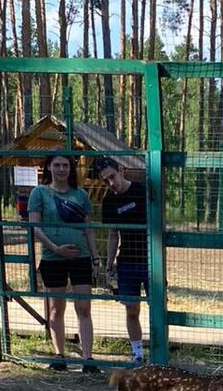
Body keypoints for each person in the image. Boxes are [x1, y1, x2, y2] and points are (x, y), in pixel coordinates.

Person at [28, 152, 99, 372]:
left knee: (83, 306)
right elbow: (35, 227)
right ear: (49, 167)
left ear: (71, 168)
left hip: (81, 258)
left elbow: (88, 229)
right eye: (57, 165)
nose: (61, 169)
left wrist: (95, 256)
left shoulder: (81, 195)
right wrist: (56, 248)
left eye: (65, 165)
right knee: (56, 308)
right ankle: (59, 356)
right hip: (53, 258)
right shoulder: (39, 193)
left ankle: (88, 359)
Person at [97, 156, 149, 367]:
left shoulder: (142, 190)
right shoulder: (109, 201)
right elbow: (112, 235)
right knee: (131, 309)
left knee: (157, 306)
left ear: (120, 170)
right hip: (127, 261)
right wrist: (109, 267)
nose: (111, 183)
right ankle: (137, 353)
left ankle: (159, 350)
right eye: (106, 181)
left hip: (150, 260)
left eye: (112, 177)